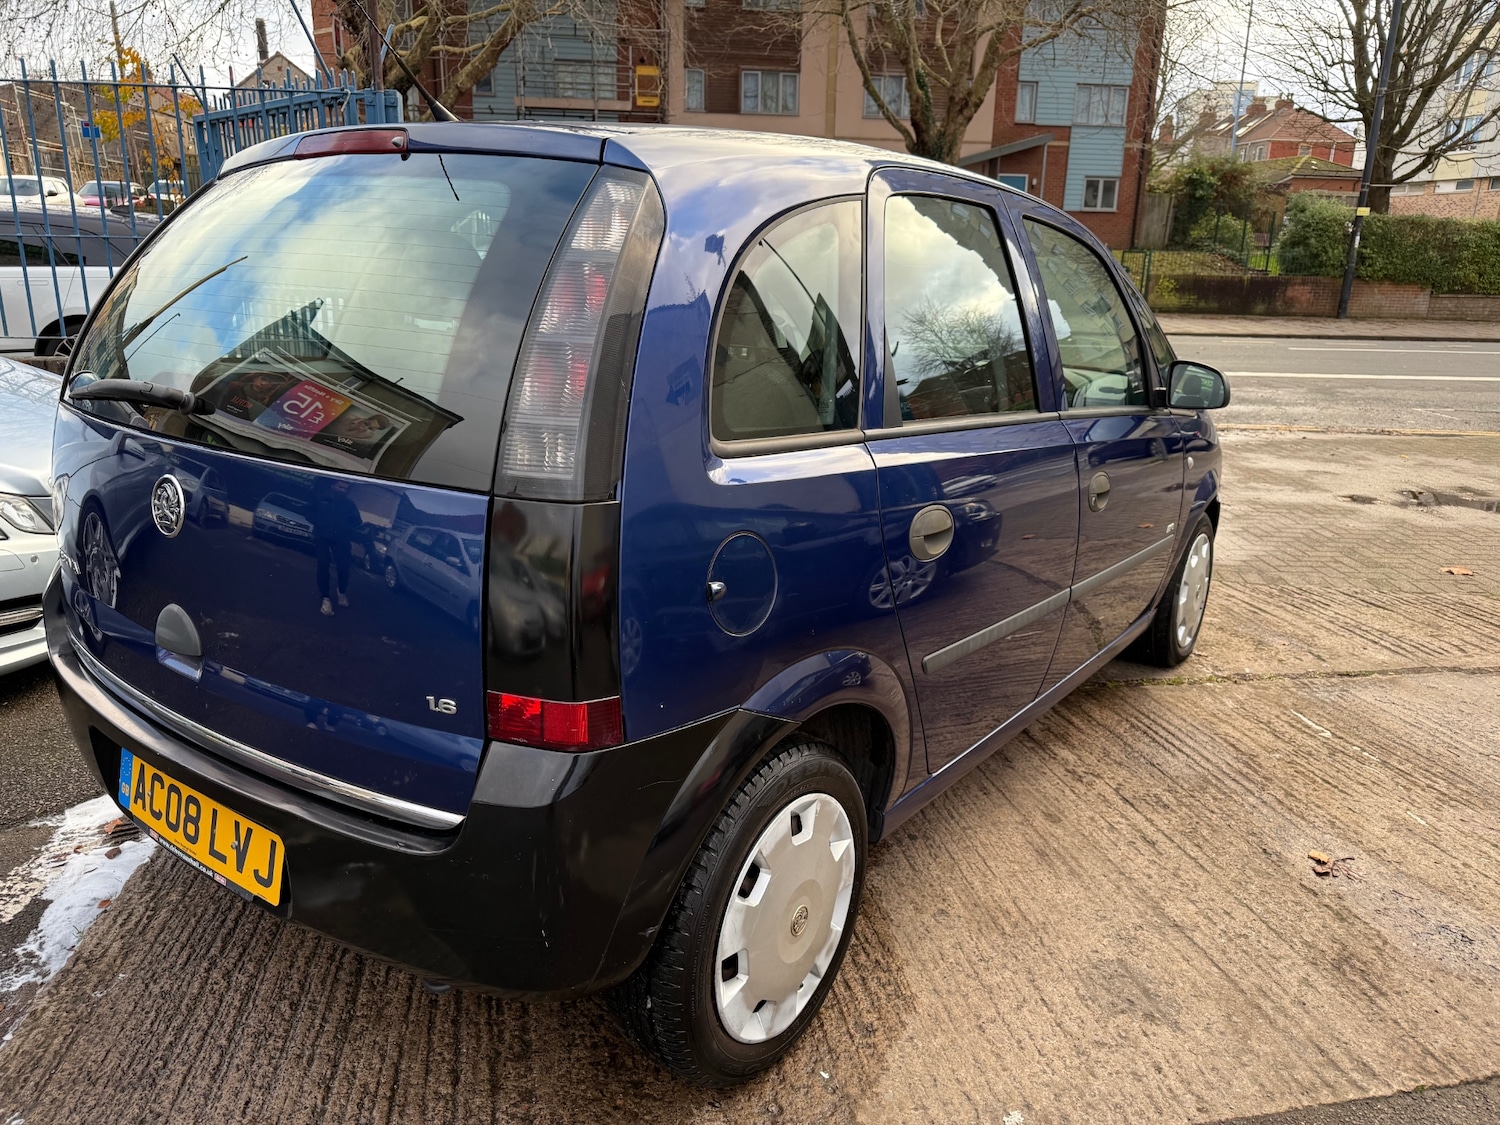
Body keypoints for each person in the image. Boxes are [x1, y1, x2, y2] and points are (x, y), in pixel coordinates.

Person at [311, 478, 362, 616]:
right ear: (333, 486)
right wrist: (320, 526)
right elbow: (309, 513)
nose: (343, 490)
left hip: (341, 540)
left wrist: (346, 531)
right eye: (340, 487)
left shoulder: (349, 504)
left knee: (344, 567)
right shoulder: (322, 500)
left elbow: (357, 522)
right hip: (322, 537)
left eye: (346, 489)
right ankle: (325, 598)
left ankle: (342, 591)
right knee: (323, 565)